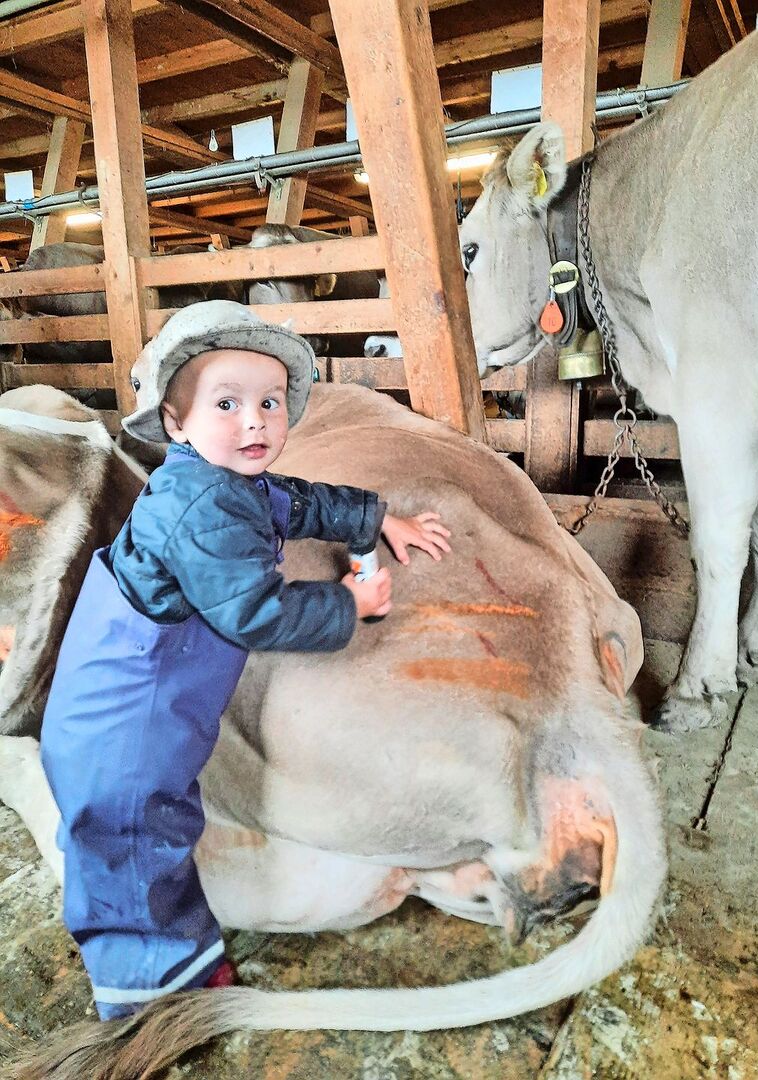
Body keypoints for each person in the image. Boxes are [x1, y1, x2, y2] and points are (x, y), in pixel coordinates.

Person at [40, 301, 451, 1020]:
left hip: (138, 706)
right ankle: (153, 996)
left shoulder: (224, 480)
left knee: (145, 833)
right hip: (121, 725)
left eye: (270, 402)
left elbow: (290, 502)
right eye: (226, 403)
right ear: (176, 422)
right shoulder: (201, 509)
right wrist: (349, 603)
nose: (255, 421)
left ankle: (171, 958)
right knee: (134, 842)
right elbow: (255, 613)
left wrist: (376, 516)